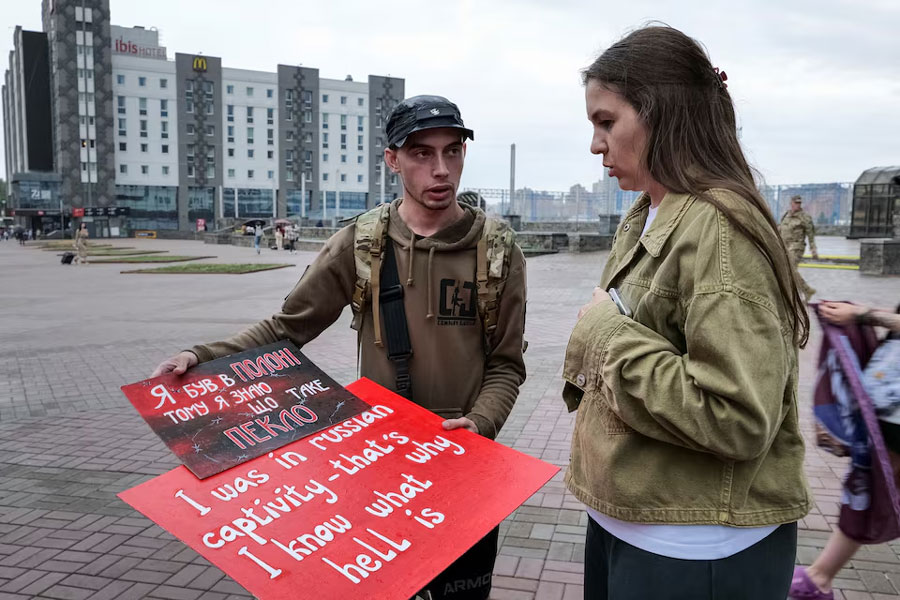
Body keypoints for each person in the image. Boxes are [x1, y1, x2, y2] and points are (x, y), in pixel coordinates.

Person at [151, 94, 527, 600]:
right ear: (392, 159)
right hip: (374, 468)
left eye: (452, 151)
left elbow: (505, 365)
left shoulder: (498, 250)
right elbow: (288, 329)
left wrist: (478, 426)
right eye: (421, 153)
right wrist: (203, 355)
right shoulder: (362, 242)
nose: (441, 170)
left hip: (462, 466)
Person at [562, 26, 811, 599]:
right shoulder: (650, 211)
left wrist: (604, 335)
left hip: (694, 548)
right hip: (638, 519)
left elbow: (738, 415)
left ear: (660, 114)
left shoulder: (719, 230)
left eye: (606, 122)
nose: (595, 145)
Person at [790, 301, 900, 600]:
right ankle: (820, 577)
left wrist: (863, 315)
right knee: (870, 488)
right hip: (889, 409)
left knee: (872, 488)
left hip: (893, 412)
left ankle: (820, 577)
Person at [779, 194, 818, 301]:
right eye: (796, 203)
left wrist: (813, 248)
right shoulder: (786, 215)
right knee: (785, 271)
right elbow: (780, 229)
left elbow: (811, 233)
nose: (798, 205)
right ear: (791, 203)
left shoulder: (805, 217)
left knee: (790, 270)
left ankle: (806, 290)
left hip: (797, 246)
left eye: (799, 203)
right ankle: (801, 292)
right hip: (784, 247)